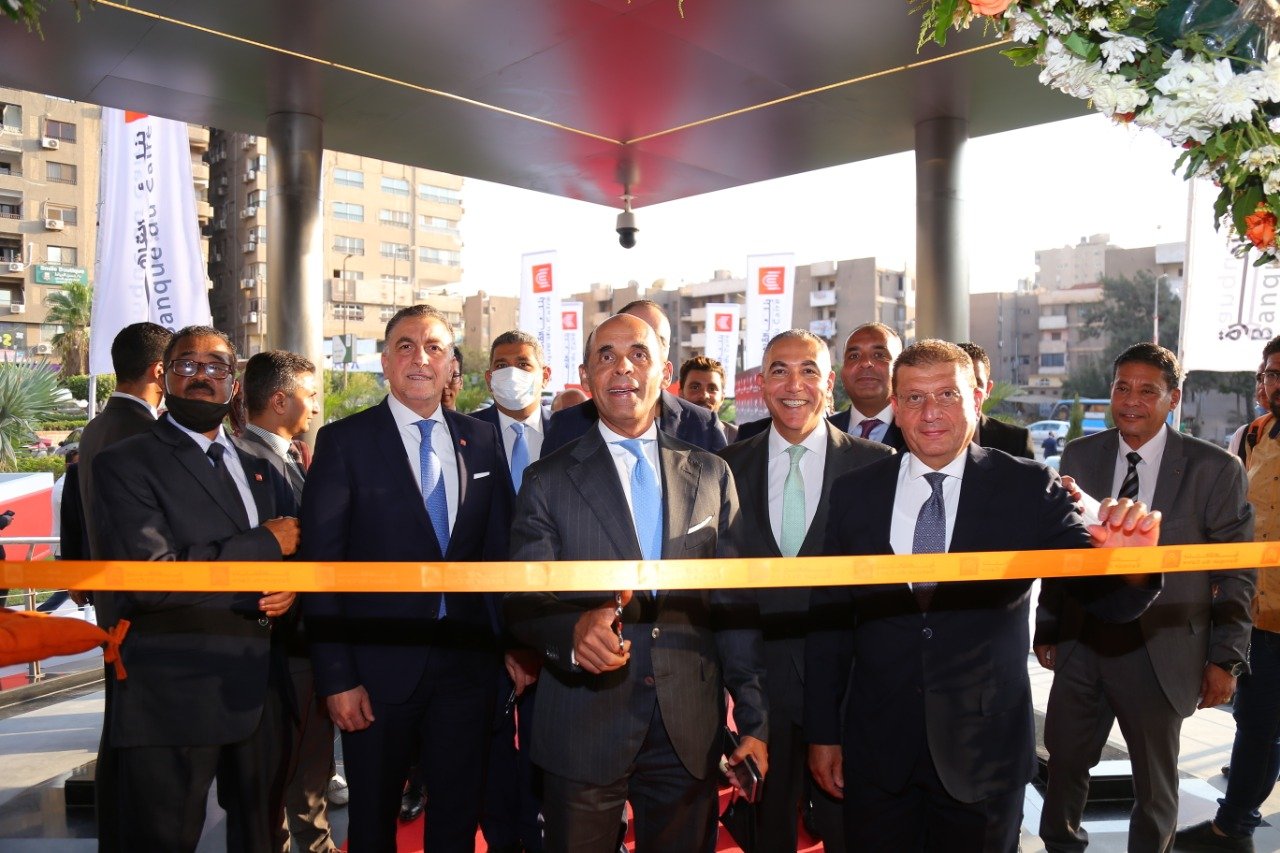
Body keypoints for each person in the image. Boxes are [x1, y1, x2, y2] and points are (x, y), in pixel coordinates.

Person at [805, 339, 1165, 852]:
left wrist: (1129, 567)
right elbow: (829, 621)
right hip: (878, 750)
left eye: (948, 395)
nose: (931, 412)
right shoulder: (855, 492)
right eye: (914, 398)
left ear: (977, 399)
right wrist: (823, 733)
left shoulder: (1029, 487)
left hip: (986, 754)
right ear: (895, 407)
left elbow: (1110, 603)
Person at [504, 312, 768, 853]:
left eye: (639, 355)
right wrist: (571, 633)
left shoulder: (712, 474)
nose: (622, 367)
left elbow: (735, 604)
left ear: (665, 373)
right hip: (582, 724)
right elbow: (522, 597)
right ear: (586, 376)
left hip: (688, 727)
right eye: (606, 356)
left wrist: (755, 720)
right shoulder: (546, 480)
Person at [302, 304, 521, 852]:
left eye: (434, 348)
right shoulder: (344, 442)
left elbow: (500, 555)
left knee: (457, 816)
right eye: (406, 346)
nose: (420, 358)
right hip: (376, 672)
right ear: (386, 361)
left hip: (468, 668)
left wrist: (515, 648)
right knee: (372, 821)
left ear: (451, 366)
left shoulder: (482, 440)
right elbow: (321, 568)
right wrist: (336, 678)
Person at [1035, 342, 1254, 853]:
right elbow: (1061, 551)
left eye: (1147, 391)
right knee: (1064, 765)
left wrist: (1226, 657)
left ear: (1173, 398)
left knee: (1155, 784)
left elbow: (1237, 572)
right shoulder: (1080, 455)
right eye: (1122, 388)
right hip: (1083, 641)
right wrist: (1048, 626)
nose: (1131, 400)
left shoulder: (1214, 469)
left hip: (1162, 647)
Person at [92, 325, 300, 852]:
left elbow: (297, 554)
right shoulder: (124, 463)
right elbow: (152, 576)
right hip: (173, 691)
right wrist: (263, 543)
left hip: (261, 690)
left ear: (234, 383)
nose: (202, 376)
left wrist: (291, 589)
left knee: (261, 837)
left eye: (217, 367)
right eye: (187, 365)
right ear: (164, 376)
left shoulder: (261, 467)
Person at [717, 329, 892, 852]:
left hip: (850, 692)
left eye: (809, 371)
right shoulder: (725, 468)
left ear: (829, 383)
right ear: (761, 385)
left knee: (853, 833)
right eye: (780, 371)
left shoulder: (878, 465)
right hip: (758, 691)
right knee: (767, 834)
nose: (794, 385)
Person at [1174, 336, 1280, 852]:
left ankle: (1233, 826)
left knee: (1262, 724)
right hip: (1259, 610)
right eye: (1271, 373)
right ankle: (1234, 827)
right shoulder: (1252, 436)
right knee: (1258, 721)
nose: (1275, 384)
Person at [73, 320, 171, 853]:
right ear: (159, 370)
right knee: (144, 743)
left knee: (121, 731)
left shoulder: (97, 427)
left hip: (114, 603)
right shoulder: (143, 435)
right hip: (147, 609)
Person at [238, 350, 339, 853]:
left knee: (311, 764)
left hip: (307, 640)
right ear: (280, 401)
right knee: (275, 772)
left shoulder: (296, 456)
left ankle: (316, 843)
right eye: (309, 395)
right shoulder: (239, 461)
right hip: (271, 644)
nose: (315, 407)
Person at [542, 300, 726, 454]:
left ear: (666, 368)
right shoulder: (566, 425)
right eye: (609, 356)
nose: (625, 366)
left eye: (641, 351)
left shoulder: (704, 425)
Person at [738, 323, 906, 445]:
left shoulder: (916, 432)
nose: (865, 363)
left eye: (879, 355)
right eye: (854, 356)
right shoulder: (814, 433)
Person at [956, 342, 1035, 458]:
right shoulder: (928, 438)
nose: (968, 392)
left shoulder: (1017, 441)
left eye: (977, 384)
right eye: (961, 383)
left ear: (988, 389)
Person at [680, 355, 736, 441]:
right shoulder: (664, 437)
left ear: (722, 398)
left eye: (712, 389)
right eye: (695, 387)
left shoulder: (739, 438)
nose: (704, 396)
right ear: (681, 394)